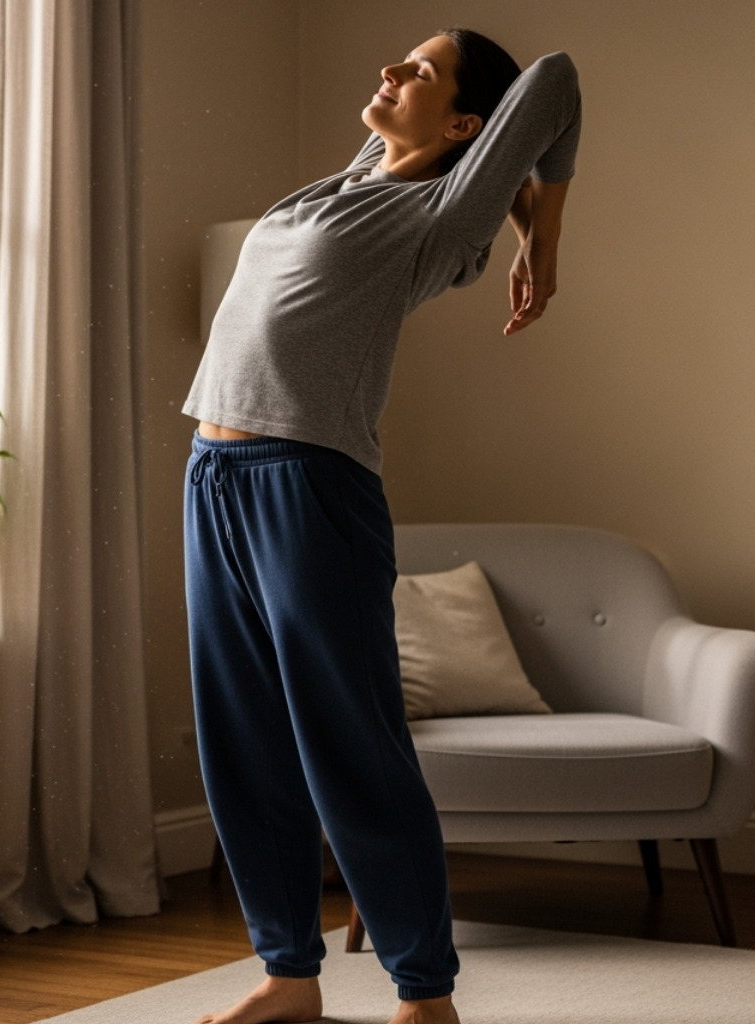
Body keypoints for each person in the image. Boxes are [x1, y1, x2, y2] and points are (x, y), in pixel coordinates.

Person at [182, 27, 581, 1024]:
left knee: (350, 743)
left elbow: (554, 83)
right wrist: (516, 192)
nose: (391, 72)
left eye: (421, 70)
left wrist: (539, 234)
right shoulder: (356, 177)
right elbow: (460, 130)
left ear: (465, 125)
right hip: (213, 473)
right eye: (400, 59)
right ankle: (288, 974)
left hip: (311, 484)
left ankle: (424, 993)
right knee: (244, 737)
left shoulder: (440, 216)